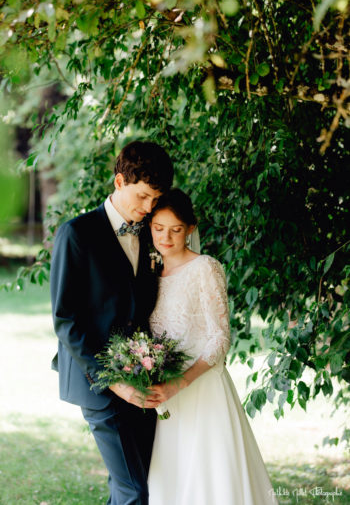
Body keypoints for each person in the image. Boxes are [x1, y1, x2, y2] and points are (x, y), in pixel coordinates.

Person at [50, 140, 174, 505]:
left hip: (144, 378)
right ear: (119, 181)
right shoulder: (76, 234)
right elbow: (66, 320)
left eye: (156, 198)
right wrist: (114, 381)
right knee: (135, 490)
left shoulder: (152, 232)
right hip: (97, 384)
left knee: (135, 482)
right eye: (143, 196)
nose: (149, 207)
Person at [146, 189, 278, 505]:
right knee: (173, 480)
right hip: (164, 394)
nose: (165, 237)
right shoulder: (149, 271)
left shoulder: (205, 267)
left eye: (175, 229)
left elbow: (220, 337)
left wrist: (181, 382)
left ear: (190, 229)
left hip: (201, 388)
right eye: (158, 228)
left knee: (211, 481)